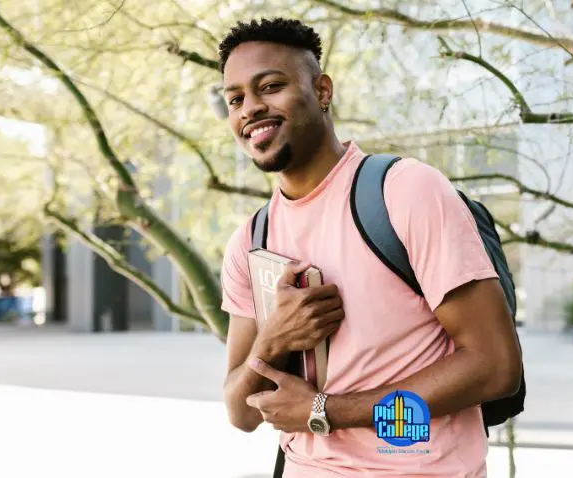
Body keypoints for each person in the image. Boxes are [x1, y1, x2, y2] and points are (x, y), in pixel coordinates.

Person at [218, 17, 523, 477]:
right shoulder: (250, 241)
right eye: (235, 99)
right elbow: (241, 413)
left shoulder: (404, 192)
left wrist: (326, 409)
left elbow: (495, 366)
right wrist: (274, 338)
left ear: (322, 91)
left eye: (271, 86)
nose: (250, 109)